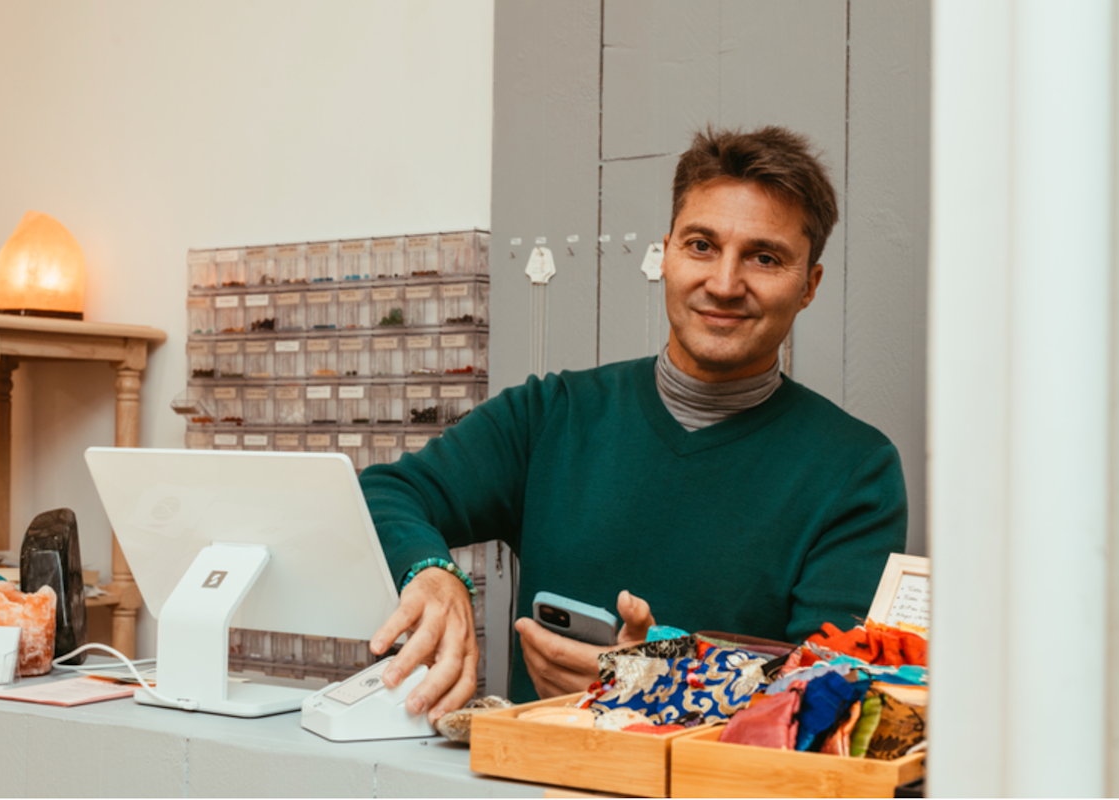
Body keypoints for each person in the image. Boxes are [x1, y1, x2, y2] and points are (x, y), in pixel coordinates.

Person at [361, 125, 908, 722]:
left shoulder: (856, 471)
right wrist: (432, 572)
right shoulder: (551, 414)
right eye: (701, 245)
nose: (724, 284)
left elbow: (827, 693)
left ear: (809, 286)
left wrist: (660, 682)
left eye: (765, 257)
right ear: (667, 253)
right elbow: (385, 492)